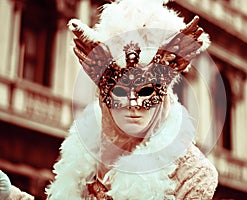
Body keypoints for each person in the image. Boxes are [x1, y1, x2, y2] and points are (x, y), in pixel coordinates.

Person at [44, 0, 218, 199]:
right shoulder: (84, 161)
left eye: (145, 92)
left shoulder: (193, 174)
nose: (133, 105)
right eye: (119, 92)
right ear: (103, 94)